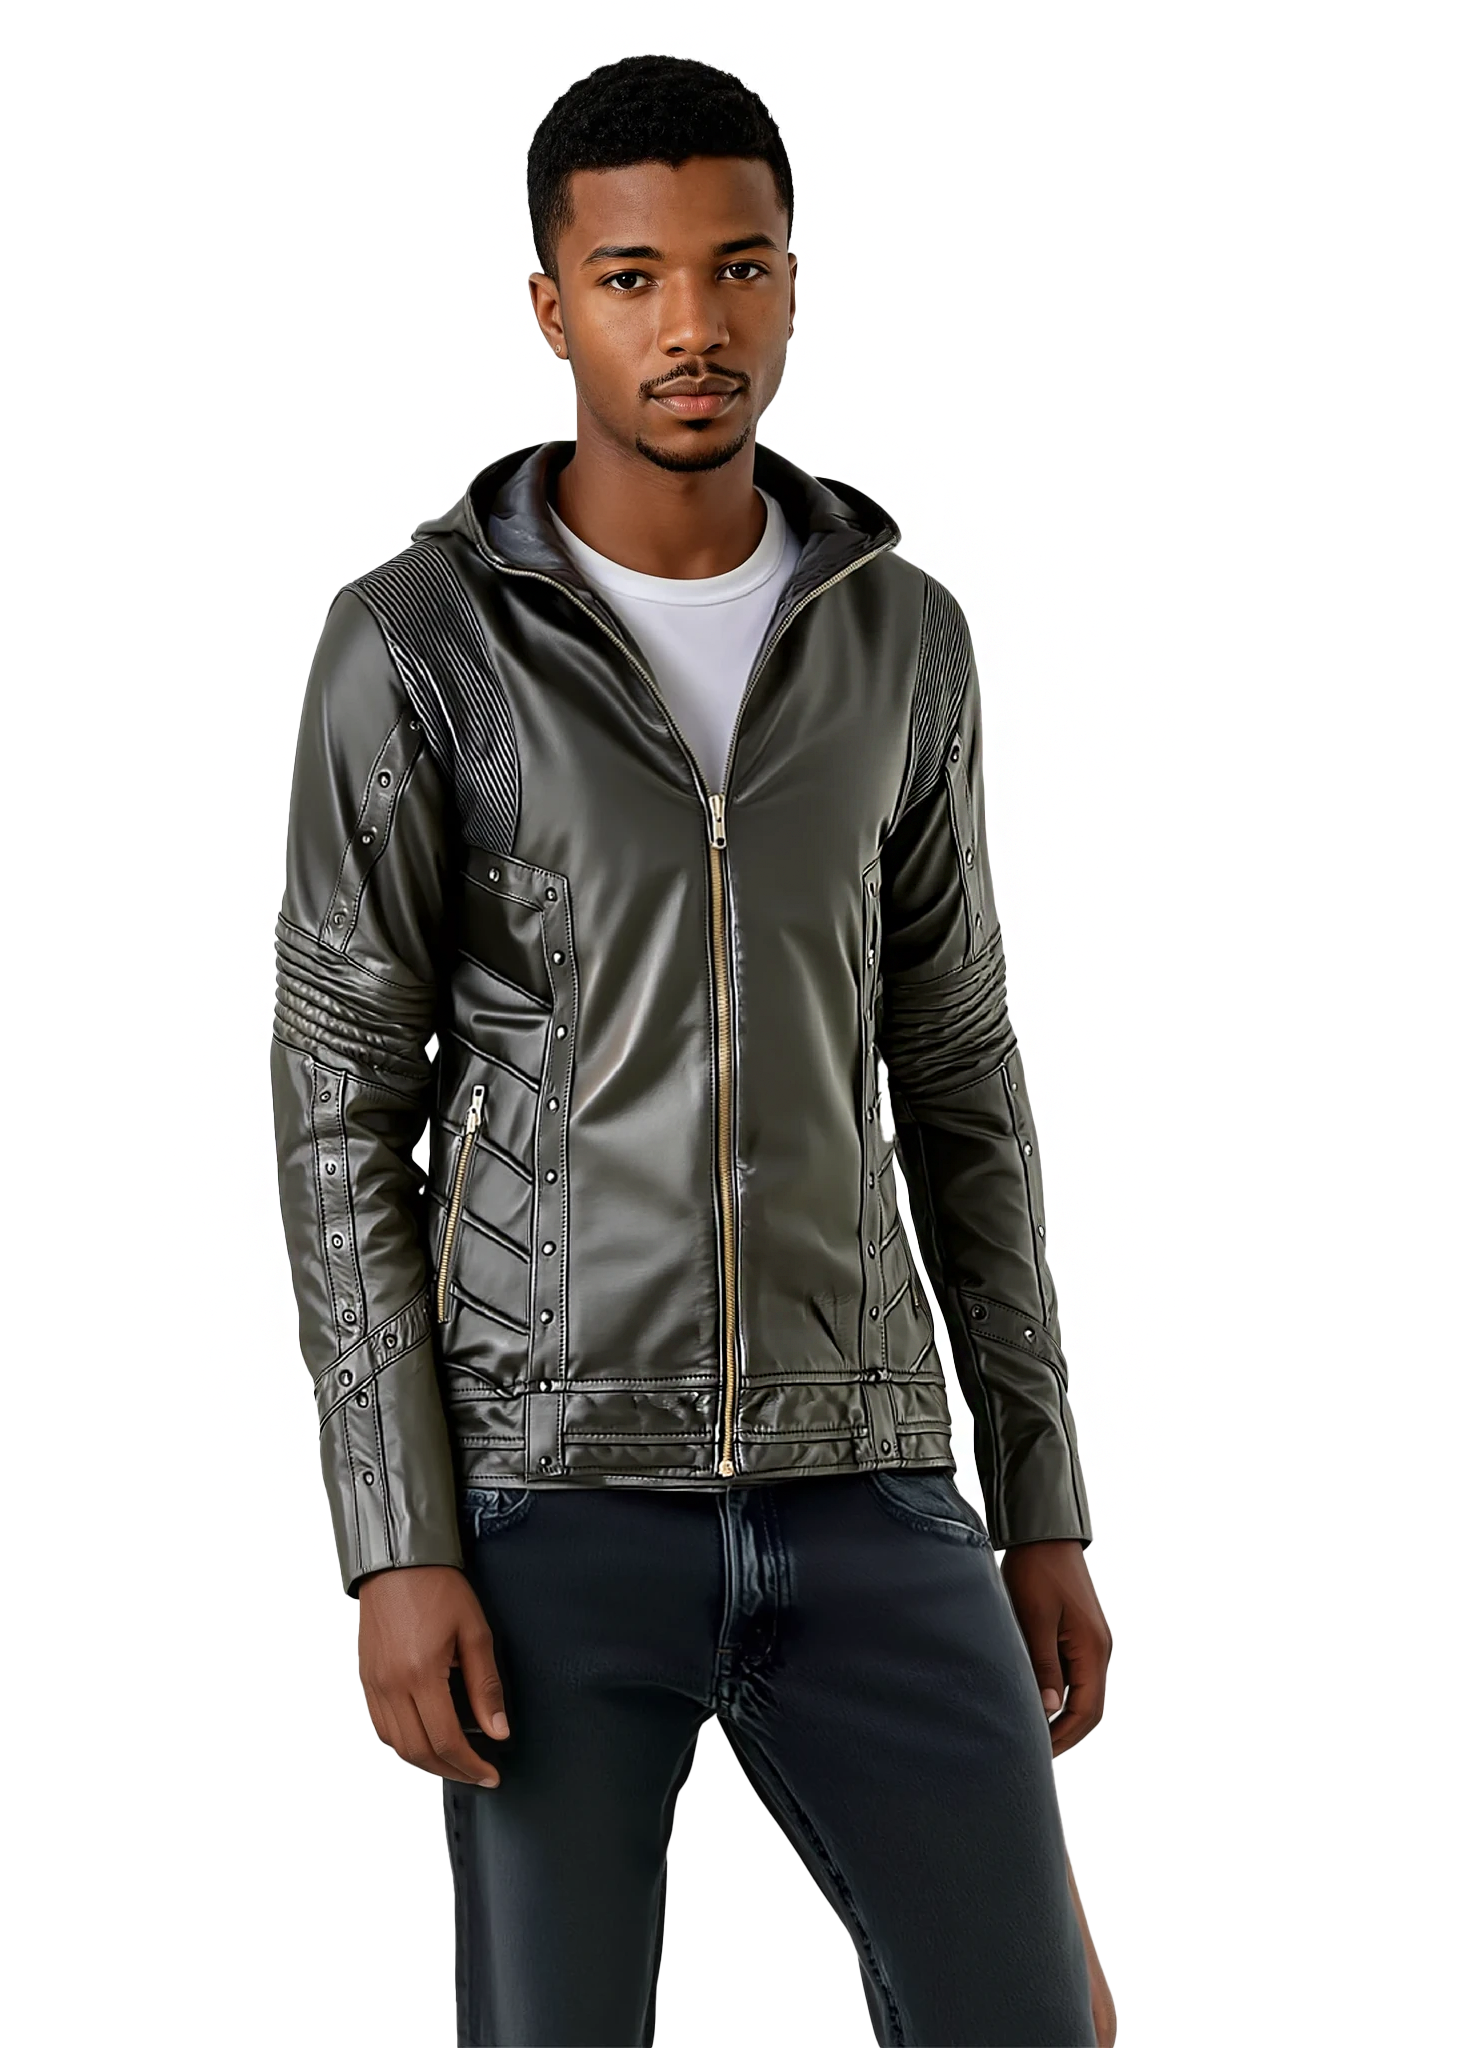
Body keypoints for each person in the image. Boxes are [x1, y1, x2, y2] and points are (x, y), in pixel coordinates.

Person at [270, 52, 1115, 2048]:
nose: (694, 326)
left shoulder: (901, 636)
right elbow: (336, 1113)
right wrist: (396, 1542)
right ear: (552, 305)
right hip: (549, 1492)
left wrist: (1042, 1490)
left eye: (739, 268)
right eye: (633, 277)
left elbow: (962, 1075)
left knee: (1034, 2017)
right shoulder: (421, 647)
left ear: (794, 281)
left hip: (869, 1471)